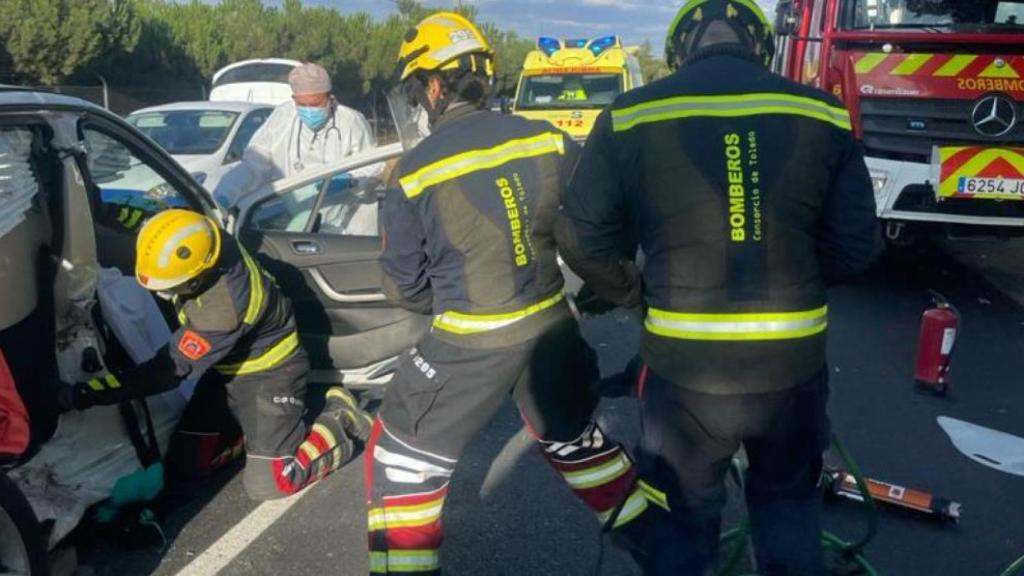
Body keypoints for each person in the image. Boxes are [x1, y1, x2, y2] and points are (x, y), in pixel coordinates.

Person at [555, 0, 882, 573]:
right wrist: (793, 282)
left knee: (681, 521)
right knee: (787, 504)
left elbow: (582, 242)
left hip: (683, 378)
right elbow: (858, 247)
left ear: (681, 49)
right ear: (758, 44)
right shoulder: (824, 114)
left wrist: (634, 292)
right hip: (791, 371)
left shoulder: (631, 116)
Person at [367, 13, 652, 575]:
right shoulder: (548, 140)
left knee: (401, 464)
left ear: (430, 86)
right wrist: (620, 291)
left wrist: (449, 297)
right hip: (553, 331)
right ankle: (660, 544)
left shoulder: (414, 170)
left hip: (467, 346)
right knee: (574, 440)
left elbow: (403, 287)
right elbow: (588, 236)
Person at [62, 209, 373, 501]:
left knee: (272, 482)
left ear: (199, 276)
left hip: (270, 376)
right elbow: (145, 222)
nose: (161, 295)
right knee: (188, 465)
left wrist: (84, 393)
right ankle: (258, 436)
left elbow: (166, 371)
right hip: (224, 372)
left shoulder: (221, 311)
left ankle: (339, 413)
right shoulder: (198, 232)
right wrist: (96, 210)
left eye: (171, 287)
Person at [214, 63, 384, 236]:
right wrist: (225, 193)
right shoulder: (281, 119)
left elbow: (374, 165)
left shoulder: (351, 121)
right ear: (294, 99)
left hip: (350, 223)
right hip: (301, 217)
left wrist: (350, 180)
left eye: (316, 104)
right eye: (303, 104)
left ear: (330, 98)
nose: (310, 110)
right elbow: (254, 165)